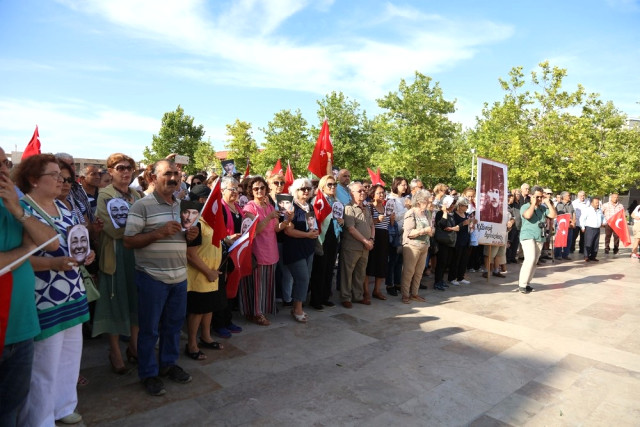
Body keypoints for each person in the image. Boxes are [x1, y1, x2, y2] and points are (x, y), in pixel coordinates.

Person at [15, 154, 95, 426]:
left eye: (63, 176)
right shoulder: (24, 208)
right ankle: (40, 418)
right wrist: (53, 263)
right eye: (55, 175)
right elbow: (20, 258)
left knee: (70, 357)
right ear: (34, 180)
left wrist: (87, 253)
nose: (62, 181)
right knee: (44, 364)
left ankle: (64, 406)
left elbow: (76, 243)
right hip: (43, 296)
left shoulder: (65, 208)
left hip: (73, 291)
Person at [123, 159, 199, 396]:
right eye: (167, 174)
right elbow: (128, 241)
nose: (173, 178)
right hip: (151, 278)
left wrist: (192, 235)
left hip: (179, 277)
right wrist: (159, 233)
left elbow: (187, 238)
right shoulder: (141, 206)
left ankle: (168, 364)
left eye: (176, 173)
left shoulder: (182, 205)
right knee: (149, 330)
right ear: (153, 178)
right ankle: (148, 373)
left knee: (174, 326)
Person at [0, 147, 59, 427]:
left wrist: (16, 210)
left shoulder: (13, 203)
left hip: (21, 324)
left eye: (5, 163)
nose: (3, 169)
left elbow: (51, 241)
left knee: (11, 407)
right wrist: (24, 251)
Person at [92, 153, 141, 375]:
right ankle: (115, 352)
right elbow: (112, 229)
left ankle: (134, 346)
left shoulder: (137, 195)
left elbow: (147, 222)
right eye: (120, 168)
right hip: (114, 256)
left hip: (137, 256)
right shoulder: (104, 195)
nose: (125, 171)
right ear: (110, 171)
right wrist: (140, 232)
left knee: (136, 303)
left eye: (129, 168)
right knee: (113, 303)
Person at [185, 185, 224, 360]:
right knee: (198, 311)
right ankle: (192, 344)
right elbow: (190, 255)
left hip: (212, 274)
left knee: (209, 309)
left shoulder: (213, 222)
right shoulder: (196, 224)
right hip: (199, 276)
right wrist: (208, 271)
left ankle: (206, 337)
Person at [240, 176, 280, 326]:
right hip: (257, 250)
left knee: (267, 283)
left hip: (271, 249)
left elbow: (276, 228)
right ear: (251, 191)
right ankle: (256, 313)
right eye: (256, 188)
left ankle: (263, 309)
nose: (259, 191)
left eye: (262, 188)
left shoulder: (270, 206)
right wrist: (269, 216)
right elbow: (255, 230)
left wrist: (288, 220)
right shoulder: (249, 207)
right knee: (257, 285)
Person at [282, 178, 318, 322]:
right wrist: (307, 235)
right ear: (294, 191)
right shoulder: (290, 207)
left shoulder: (309, 206)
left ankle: (297, 306)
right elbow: (288, 231)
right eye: (302, 189)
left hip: (308, 247)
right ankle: (297, 309)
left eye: (308, 188)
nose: (306, 191)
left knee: (305, 278)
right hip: (294, 248)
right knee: (302, 278)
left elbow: (312, 225)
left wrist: (313, 232)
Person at [308, 175, 343, 310]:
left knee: (329, 269)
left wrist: (342, 221)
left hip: (334, 236)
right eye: (330, 184)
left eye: (334, 185)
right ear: (322, 186)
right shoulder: (316, 201)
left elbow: (340, 217)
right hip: (321, 237)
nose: (333, 187)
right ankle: (316, 300)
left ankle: (325, 296)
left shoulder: (337, 201)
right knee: (319, 269)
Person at [339, 182, 374, 308]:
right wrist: (366, 241)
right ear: (351, 193)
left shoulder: (366, 208)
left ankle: (358, 296)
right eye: (359, 191)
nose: (363, 192)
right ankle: (345, 297)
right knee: (347, 273)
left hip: (365, 247)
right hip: (352, 247)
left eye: (364, 190)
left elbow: (372, 225)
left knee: (360, 273)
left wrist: (371, 239)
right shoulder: (348, 208)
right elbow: (351, 229)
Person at [518, 186, 557, 294]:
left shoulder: (543, 208)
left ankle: (527, 283)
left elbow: (553, 215)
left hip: (539, 236)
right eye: (537, 197)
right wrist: (532, 204)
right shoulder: (525, 206)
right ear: (532, 196)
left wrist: (548, 203)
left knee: (534, 261)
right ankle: (522, 284)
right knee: (529, 259)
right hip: (527, 236)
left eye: (541, 197)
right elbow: (528, 215)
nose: (539, 199)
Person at [400, 189, 433, 303]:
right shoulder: (411, 213)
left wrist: (430, 231)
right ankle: (405, 294)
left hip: (425, 246)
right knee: (409, 271)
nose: (429, 204)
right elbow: (409, 233)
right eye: (427, 202)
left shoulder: (427, 213)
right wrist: (424, 230)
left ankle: (414, 294)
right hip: (412, 246)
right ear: (419, 201)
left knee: (419, 272)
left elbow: (431, 229)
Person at [364, 184, 391, 302]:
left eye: (383, 192)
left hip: (384, 237)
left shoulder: (386, 208)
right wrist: (376, 220)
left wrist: (392, 219)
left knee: (381, 264)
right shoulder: (369, 207)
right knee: (369, 264)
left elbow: (389, 224)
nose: (382, 195)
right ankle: (365, 291)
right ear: (372, 194)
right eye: (379, 193)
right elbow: (366, 224)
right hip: (373, 237)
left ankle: (377, 290)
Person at [386, 177, 410, 296]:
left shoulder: (404, 199)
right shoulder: (391, 199)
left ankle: (397, 283)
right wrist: (407, 209)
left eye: (406, 185)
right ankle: (389, 284)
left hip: (404, 233)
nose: (405, 187)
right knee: (393, 260)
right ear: (396, 185)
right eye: (403, 185)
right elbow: (394, 217)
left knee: (400, 260)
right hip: (395, 232)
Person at [433, 195, 457, 291]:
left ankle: (441, 280)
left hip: (449, 241)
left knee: (446, 262)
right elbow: (442, 224)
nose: (452, 206)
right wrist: (444, 212)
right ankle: (437, 281)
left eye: (453, 205)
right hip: (441, 241)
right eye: (451, 204)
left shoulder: (452, 214)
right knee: (441, 262)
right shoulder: (440, 213)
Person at [448, 197, 473, 286]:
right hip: (457, 240)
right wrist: (463, 224)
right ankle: (452, 277)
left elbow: (468, 225)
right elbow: (454, 227)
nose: (466, 208)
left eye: (467, 206)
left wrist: (471, 224)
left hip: (466, 239)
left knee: (464, 259)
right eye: (464, 206)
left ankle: (460, 277)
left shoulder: (466, 214)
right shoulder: (454, 215)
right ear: (460, 206)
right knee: (456, 259)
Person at [581, 197, 605, 262]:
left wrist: (604, 223)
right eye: (596, 203)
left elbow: (603, 217)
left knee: (595, 243)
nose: (597, 204)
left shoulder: (599, 210)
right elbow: (582, 219)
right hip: (589, 228)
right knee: (588, 243)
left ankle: (593, 256)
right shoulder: (587, 210)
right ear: (592, 203)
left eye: (598, 203)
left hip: (597, 229)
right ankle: (586, 256)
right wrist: (582, 227)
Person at [554, 191, 576, 260]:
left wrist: (573, 222)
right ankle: (558, 254)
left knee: (569, 240)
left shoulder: (570, 204)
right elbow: (562, 215)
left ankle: (565, 254)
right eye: (568, 195)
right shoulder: (559, 205)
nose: (569, 197)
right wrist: (570, 222)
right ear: (563, 197)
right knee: (560, 239)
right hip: (562, 226)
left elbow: (573, 213)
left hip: (570, 226)